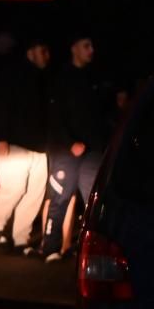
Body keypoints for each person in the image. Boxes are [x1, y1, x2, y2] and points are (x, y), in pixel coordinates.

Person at [39, 32, 113, 262]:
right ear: (74, 48)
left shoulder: (94, 78)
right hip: (66, 150)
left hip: (92, 150)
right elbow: (55, 115)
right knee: (60, 197)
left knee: (93, 199)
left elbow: (102, 114)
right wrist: (70, 142)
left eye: (92, 45)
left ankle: (88, 249)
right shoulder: (62, 78)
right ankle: (50, 247)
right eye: (86, 45)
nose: (91, 50)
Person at [0, 39, 50, 254]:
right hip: (15, 142)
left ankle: (20, 238)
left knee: (34, 193)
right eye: (43, 50)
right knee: (14, 188)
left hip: (39, 145)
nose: (47, 56)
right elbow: (0, 104)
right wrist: (0, 137)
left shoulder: (43, 78)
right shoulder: (13, 74)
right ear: (30, 51)